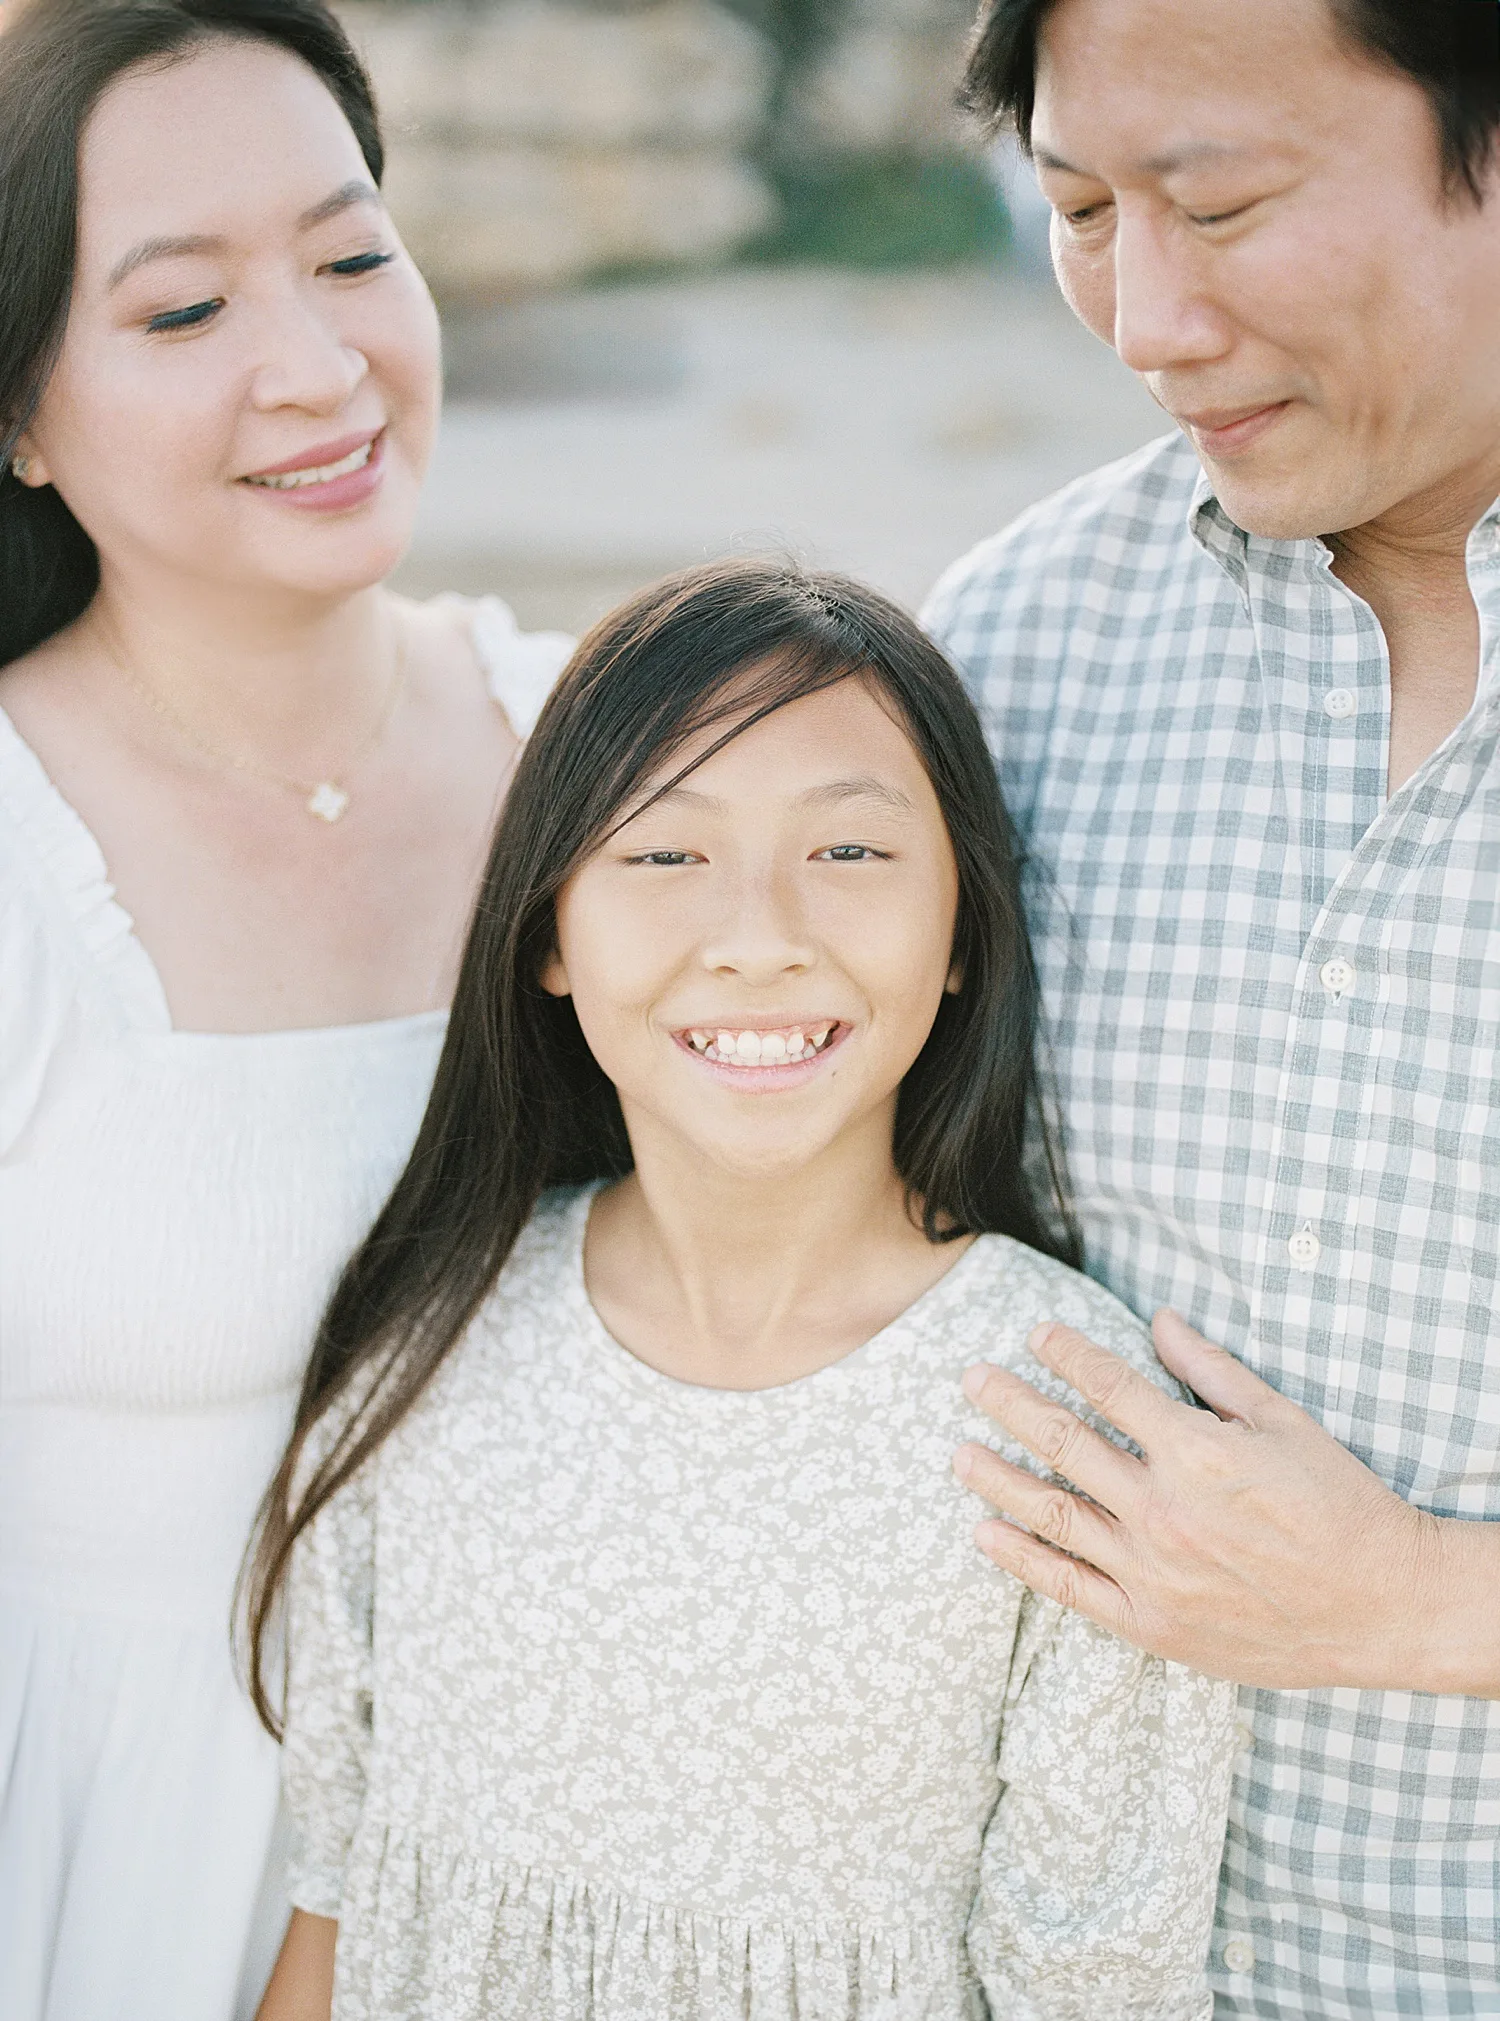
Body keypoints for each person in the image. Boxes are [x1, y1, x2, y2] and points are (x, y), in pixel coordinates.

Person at [246, 560, 1236, 2021]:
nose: (762, 934)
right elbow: (338, 1913)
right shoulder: (435, 1334)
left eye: (848, 853)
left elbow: (1088, 1988)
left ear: (964, 932)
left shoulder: (1069, 1421)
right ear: (548, 938)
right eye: (664, 856)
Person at [922, 0, 1500, 2013]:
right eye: (1078, 209)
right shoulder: (1003, 654)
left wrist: (1430, 1597)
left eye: (1222, 205)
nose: (1147, 321)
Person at [0, 2, 569, 2016]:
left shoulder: (620, 764)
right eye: (181, 311)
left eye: (351, 256)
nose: (320, 369)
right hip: (102, 1884)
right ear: (19, 413)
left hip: (559, 1886)